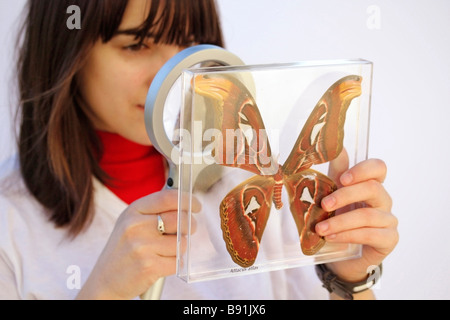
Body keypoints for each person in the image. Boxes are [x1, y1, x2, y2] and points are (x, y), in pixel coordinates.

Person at [0, 0, 398, 300]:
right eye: (136, 45)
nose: (175, 75)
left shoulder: (257, 188)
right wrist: (101, 292)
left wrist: (349, 280)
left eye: (190, 44)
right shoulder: (11, 227)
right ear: (67, 53)